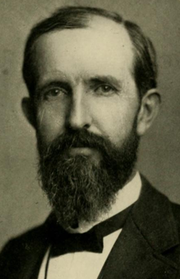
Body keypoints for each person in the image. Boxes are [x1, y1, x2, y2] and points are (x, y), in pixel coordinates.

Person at [1, 5, 180, 279]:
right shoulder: (12, 258)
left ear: (144, 113)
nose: (76, 118)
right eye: (56, 92)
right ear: (32, 114)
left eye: (103, 88)